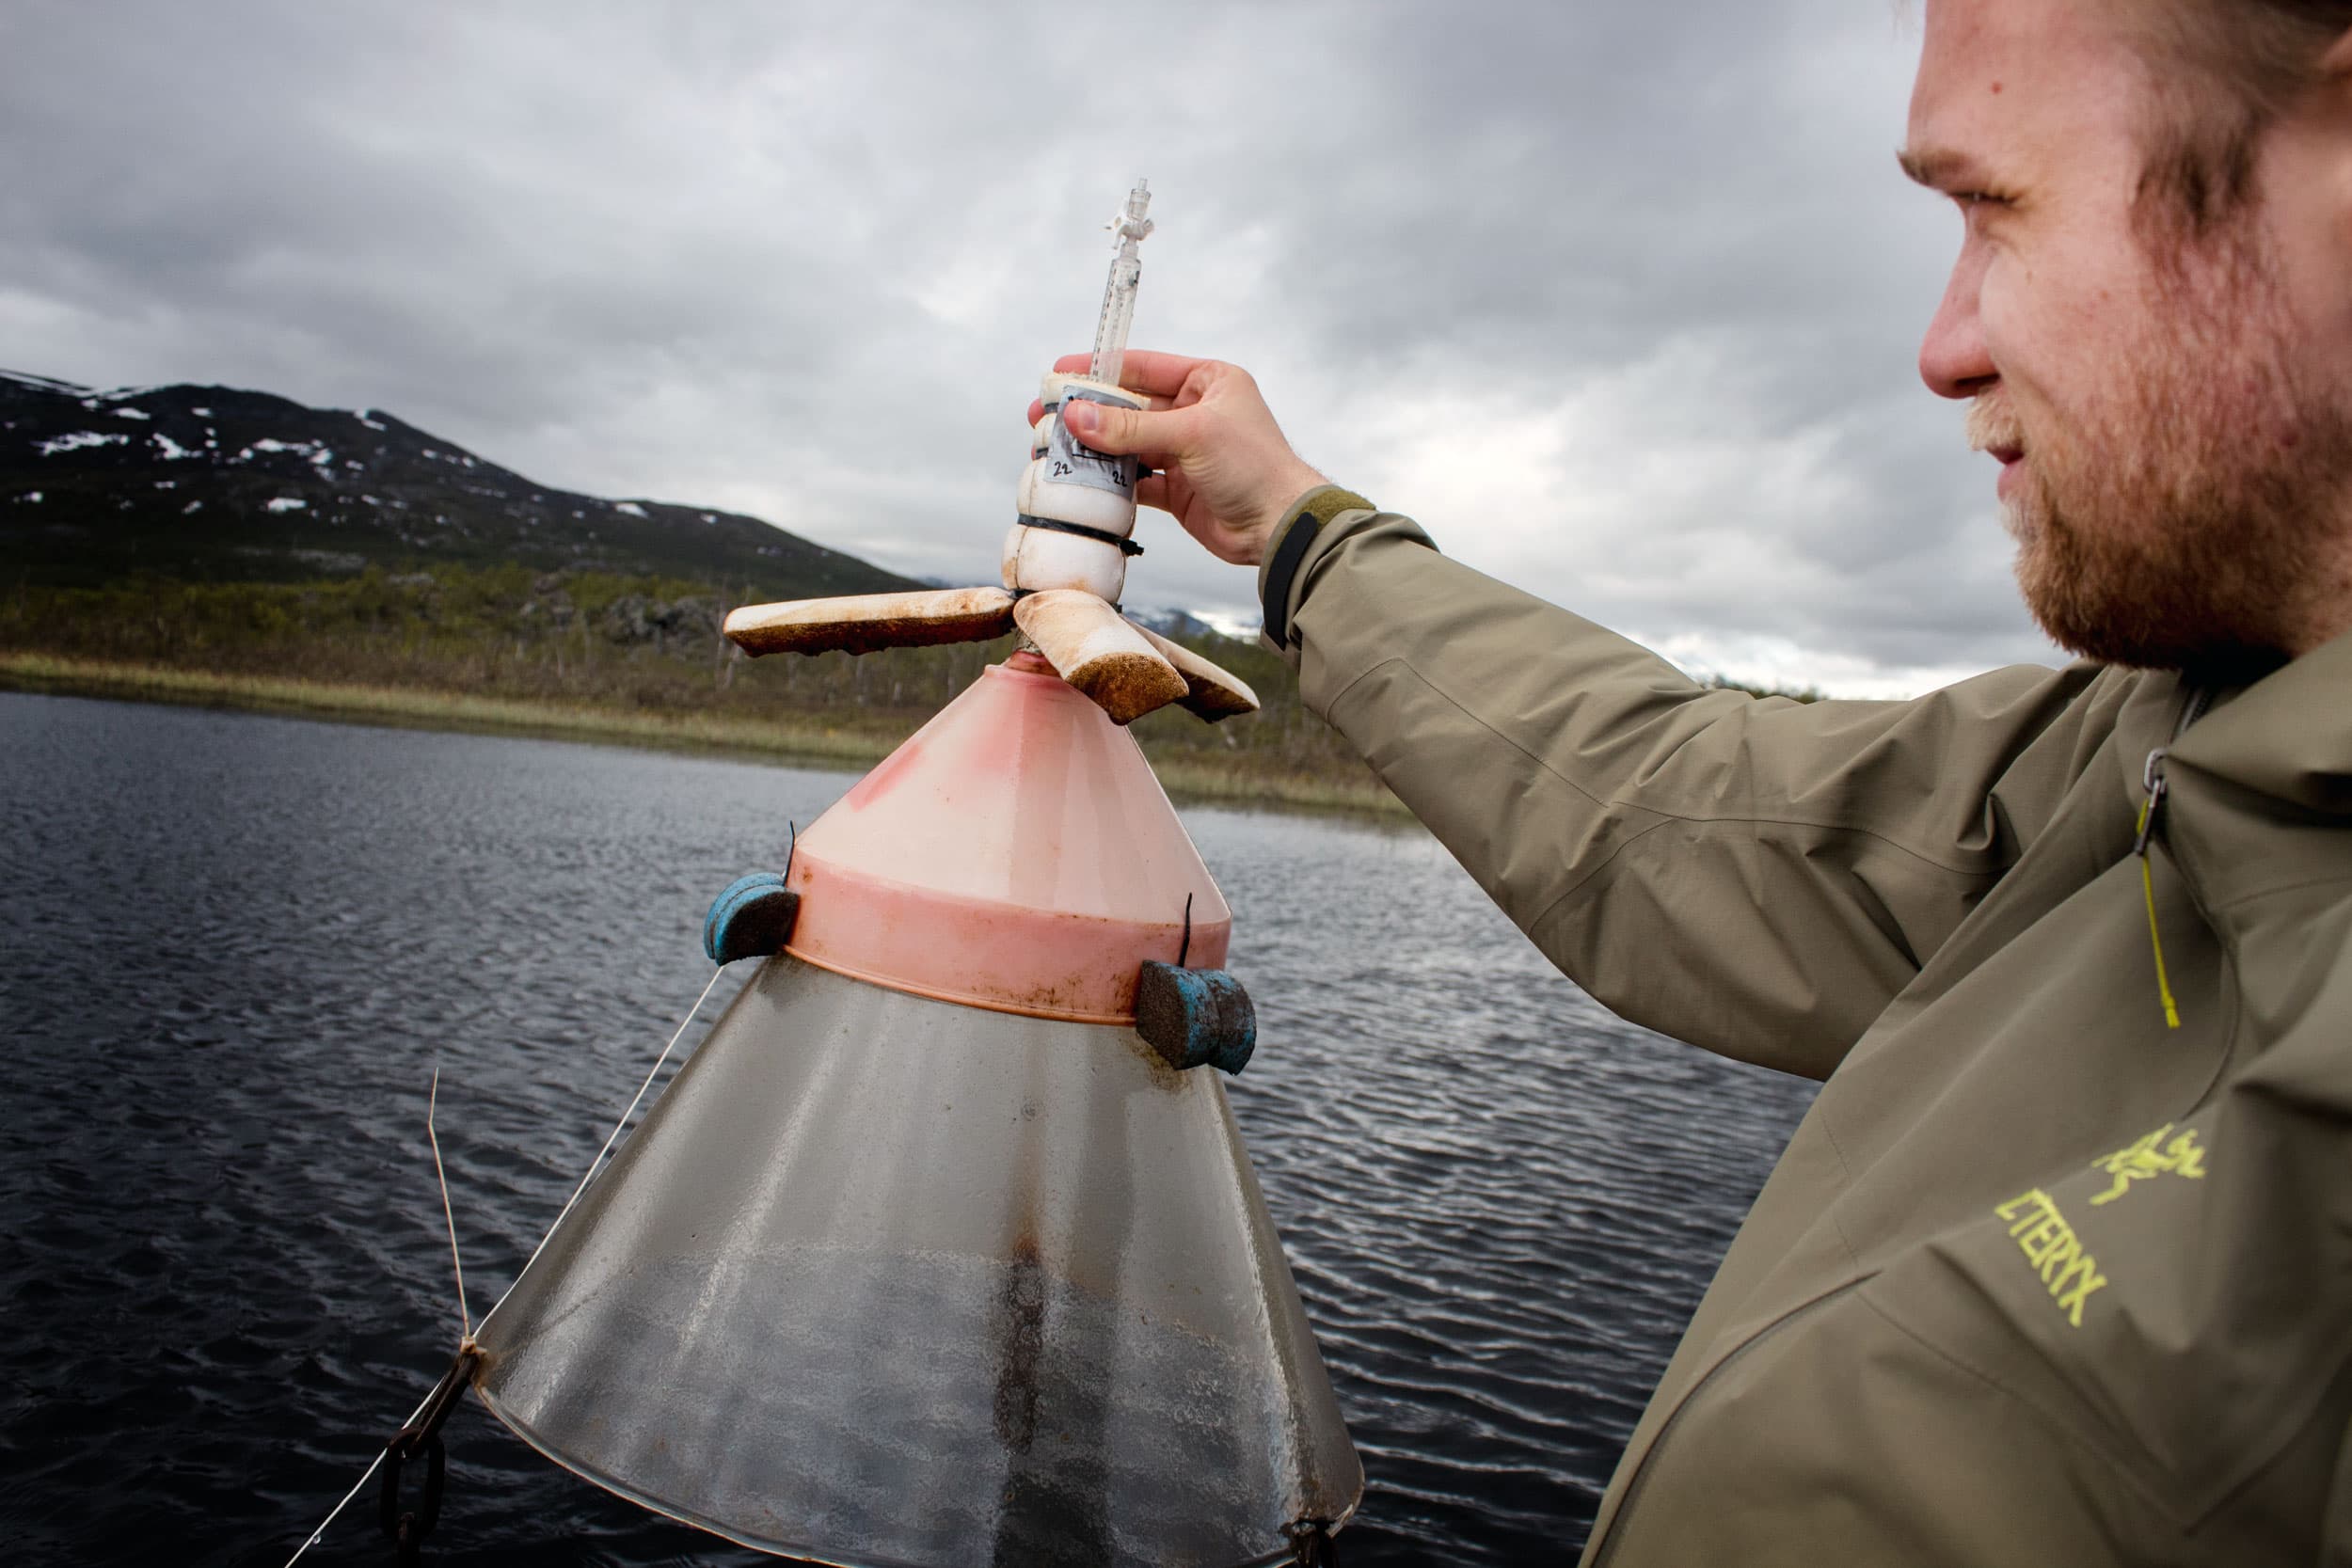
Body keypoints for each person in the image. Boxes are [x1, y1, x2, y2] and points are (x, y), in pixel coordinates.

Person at [1034, 1, 2352, 1561]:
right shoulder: (2160, 741)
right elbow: (1683, 805)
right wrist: (1301, 530)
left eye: (1996, 207)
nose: (1945, 348)